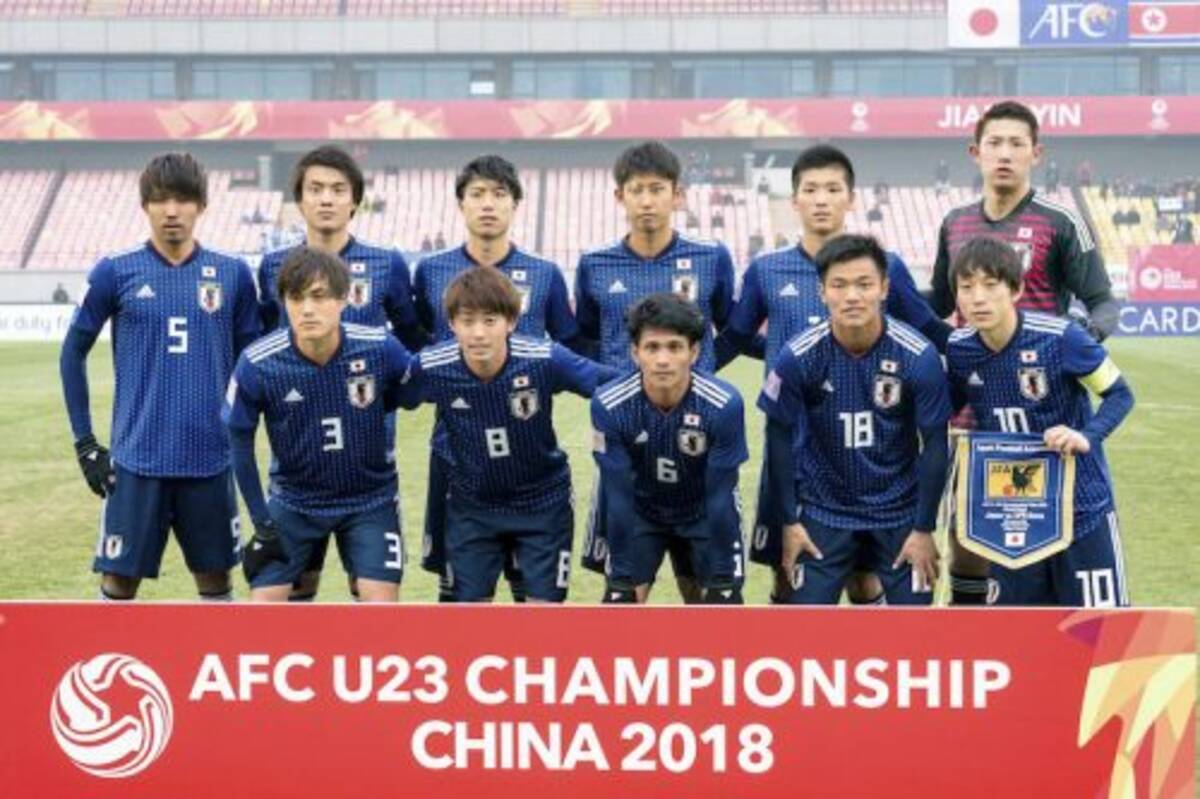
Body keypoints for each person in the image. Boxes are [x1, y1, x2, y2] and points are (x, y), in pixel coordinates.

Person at [715, 144, 951, 604]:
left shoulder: (885, 266)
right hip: (795, 445)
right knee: (787, 570)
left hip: (870, 443)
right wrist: (684, 376)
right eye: (811, 189)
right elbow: (737, 336)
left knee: (866, 578)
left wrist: (988, 354)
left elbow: (926, 328)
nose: (821, 199)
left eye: (832, 189)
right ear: (795, 200)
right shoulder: (767, 269)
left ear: (851, 198)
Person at [928, 101, 1120, 605]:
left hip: (1045, 409)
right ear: (975, 153)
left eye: (1017, 144)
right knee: (971, 534)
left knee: (1052, 527)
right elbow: (939, 305)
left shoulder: (1059, 222)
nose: (1005, 154)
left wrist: (1083, 341)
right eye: (995, 143)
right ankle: (980, 634)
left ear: (1036, 153)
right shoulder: (954, 223)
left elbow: (1102, 301)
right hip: (977, 409)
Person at [59, 152, 260, 601]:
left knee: (217, 582)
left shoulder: (233, 274)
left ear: (202, 205)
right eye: (160, 200)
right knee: (118, 582)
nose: (172, 211)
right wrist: (85, 443)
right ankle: (109, 651)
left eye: (183, 199)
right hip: (137, 461)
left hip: (210, 459)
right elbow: (72, 352)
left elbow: (252, 364)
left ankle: (213, 653)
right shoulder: (115, 270)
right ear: (144, 205)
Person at [257, 145, 424, 601]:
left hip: (367, 460)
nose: (326, 199)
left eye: (337, 189)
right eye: (315, 189)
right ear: (299, 199)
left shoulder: (387, 263)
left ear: (355, 200)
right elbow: (264, 347)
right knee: (297, 588)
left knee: (370, 592)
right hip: (298, 457)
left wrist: (386, 395)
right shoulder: (273, 266)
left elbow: (412, 341)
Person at [413, 154, 582, 603]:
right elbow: (419, 341)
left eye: (499, 194)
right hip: (456, 456)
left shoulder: (544, 273)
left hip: (526, 445)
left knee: (532, 594)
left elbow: (568, 345)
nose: (488, 204)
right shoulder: (430, 270)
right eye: (477, 194)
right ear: (461, 204)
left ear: (515, 204)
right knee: (460, 597)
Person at [574, 140, 736, 601]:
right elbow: (582, 335)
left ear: (677, 195)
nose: (647, 200)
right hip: (626, 432)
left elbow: (733, 328)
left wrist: (697, 375)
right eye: (637, 190)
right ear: (619, 196)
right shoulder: (594, 263)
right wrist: (614, 387)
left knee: (704, 589)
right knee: (624, 587)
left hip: (696, 433)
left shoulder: (711, 257)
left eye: (657, 189)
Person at [757, 234, 952, 605]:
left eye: (864, 284)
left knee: (918, 629)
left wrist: (924, 527)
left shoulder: (918, 355)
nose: (852, 296)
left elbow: (935, 443)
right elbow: (778, 436)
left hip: (899, 514)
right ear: (821, 292)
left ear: (884, 288)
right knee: (804, 626)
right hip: (824, 511)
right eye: (839, 285)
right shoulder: (798, 356)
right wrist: (790, 522)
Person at [399, 268, 613, 603]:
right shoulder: (432, 367)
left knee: (543, 618)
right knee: (467, 616)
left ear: (511, 321)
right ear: (452, 324)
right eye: (467, 321)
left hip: (543, 504)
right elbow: (391, 395)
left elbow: (611, 385)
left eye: (490, 321)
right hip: (472, 507)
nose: (478, 333)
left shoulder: (545, 359)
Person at [946, 237, 1134, 606]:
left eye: (990, 285)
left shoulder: (1062, 339)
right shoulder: (960, 348)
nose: (978, 298)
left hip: (1080, 504)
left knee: (1100, 628)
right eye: (966, 288)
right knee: (1018, 631)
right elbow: (946, 409)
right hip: (1011, 512)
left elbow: (1120, 395)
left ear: (1015, 290)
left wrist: (1087, 435)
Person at [223, 248, 413, 602]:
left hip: (369, 500)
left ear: (343, 299)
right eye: (296, 298)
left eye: (319, 296)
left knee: (382, 607)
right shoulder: (259, 362)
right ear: (283, 303)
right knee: (263, 606)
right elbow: (237, 437)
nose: (307, 309)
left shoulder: (380, 348)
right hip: (294, 502)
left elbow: (415, 390)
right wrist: (262, 523)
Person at [592, 293, 748, 604]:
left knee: (721, 609)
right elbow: (617, 497)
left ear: (694, 352)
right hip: (640, 511)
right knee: (619, 608)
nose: (662, 360)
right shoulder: (609, 404)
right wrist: (621, 574)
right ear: (635, 352)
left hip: (703, 511)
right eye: (652, 347)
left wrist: (721, 575)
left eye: (674, 347)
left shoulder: (724, 404)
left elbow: (721, 496)